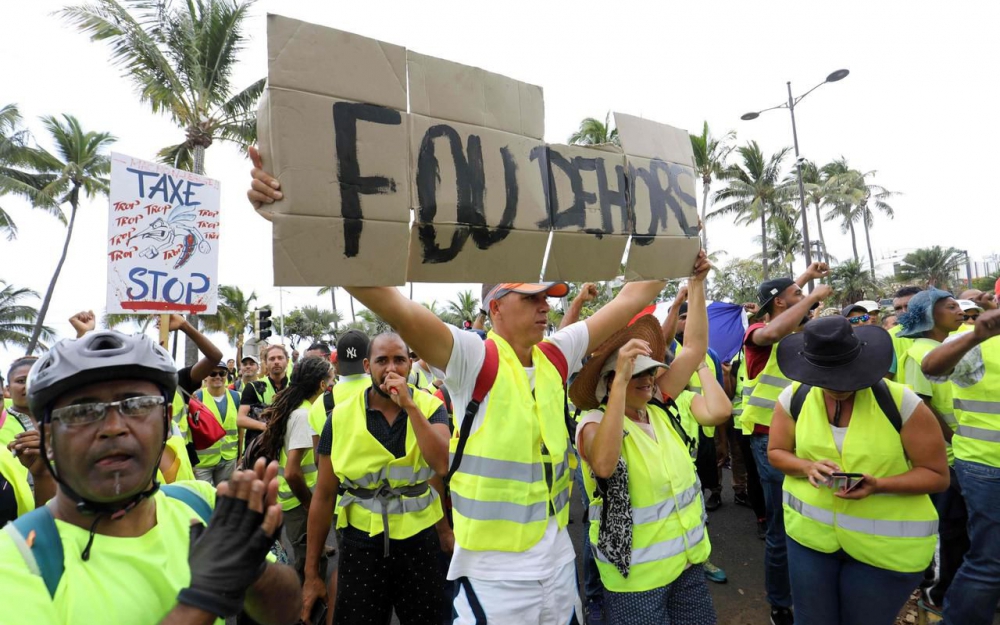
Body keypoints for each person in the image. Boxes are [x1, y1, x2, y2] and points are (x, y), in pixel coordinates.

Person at [248, 144, 703, 624]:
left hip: (558, 560)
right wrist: (292, 213)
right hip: (495, 574)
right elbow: (391, 303)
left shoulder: (556, 353)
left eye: (548, 296)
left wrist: (680, 247)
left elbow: (635, 294)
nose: (545, 306)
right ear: (495, 307)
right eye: (531, 298)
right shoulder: (471, 356)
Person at [0, 330, 300, 625]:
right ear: (48, 438)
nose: (114, 427)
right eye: (83, 411)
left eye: (138, 405)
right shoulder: (17, 559)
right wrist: (205, 597)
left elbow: (284, 613)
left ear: (166, 420)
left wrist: (254, 570)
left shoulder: (200, 503)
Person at [767, 316, 948, 625]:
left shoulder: (902, 402)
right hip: (811, 540)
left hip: (886, 549)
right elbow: (777, 452)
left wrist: (879, 484)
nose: (839, 387)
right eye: (827, 378)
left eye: (847, 376)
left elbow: (937, 475)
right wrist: (806, 466)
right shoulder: (794, 398)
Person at [569, 307, 727, 624]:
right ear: (609, 382)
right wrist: (620, 384)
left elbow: (694, 347)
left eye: (650, 371)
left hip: (688, 563)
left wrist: (696, 286)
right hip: (637, 579)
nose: (647, 379)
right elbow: (603, 464)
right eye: (634, 373)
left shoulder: (658, 409)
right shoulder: (593, 422)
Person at [302, 333, 452, 625]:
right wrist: (311, 574)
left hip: (420, 540)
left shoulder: (431, 407)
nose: (391, 368)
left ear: (410, 364)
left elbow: (441, 464)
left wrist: (410, 406)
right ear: (368, 366)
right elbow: (323, 495)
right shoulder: (340, 417)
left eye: (399, 360)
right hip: (361, 542)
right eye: (382, 360)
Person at [740, 263, 832, 625]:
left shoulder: (798, 331)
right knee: (782, 528)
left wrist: (805, 279)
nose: (804, 305)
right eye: (795, 298)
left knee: (809, 518)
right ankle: (781, 602)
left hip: (806, 438)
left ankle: (808, 590)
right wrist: (810, 293)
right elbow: (775, 326)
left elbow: (787, 313)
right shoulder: (758, 332)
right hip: (769, 441)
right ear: (779, 303)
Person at [922, 308, 1000, 625]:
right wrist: (977, 336)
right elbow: (932, 369)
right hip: (988, 466)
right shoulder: (977, 341)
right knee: (990, 561)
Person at [894, 289, 968, 613]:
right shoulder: (920, 353)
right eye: (949, 306)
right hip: (947, 456)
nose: (959, 310)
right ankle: (935, 593)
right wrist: (952, 438)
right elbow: (921, 406)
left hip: (961, 451)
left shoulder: (946, 347)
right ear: (928, 315)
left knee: (958, 527)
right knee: (945, 529)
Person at [253, 356, 331, 582]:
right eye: (331, 379)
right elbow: (292, 472)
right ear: (322, 385)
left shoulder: (300, 409)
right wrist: (309, 502)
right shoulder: (303, 415)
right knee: (310, 563)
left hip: (293, 499)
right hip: (298, 502)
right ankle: (306, 612)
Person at [306, 331, 372, 443]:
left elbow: (319, 458)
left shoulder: (319, 404)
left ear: (336, 360)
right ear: (370, 357)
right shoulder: (389, 391)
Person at [193, 362, 241, 485]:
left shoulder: (237, 397)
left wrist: (240, 455)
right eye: (213, 373)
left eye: (222, 373)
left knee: (225, 498)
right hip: (202, 462)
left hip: (229, 459)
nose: (218, 376)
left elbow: (241, 430)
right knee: (205, 499)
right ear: (205, 376)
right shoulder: (197, 398)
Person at [239, 344, 290, 452]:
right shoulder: (253, 387)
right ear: (266, 363)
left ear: (287, 361)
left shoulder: (295, 386)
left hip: (289, 446)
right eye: (272, 359)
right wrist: (266, 426)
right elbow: (241, 420)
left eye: (280, 358)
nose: (276, 361)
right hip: (262, 449)